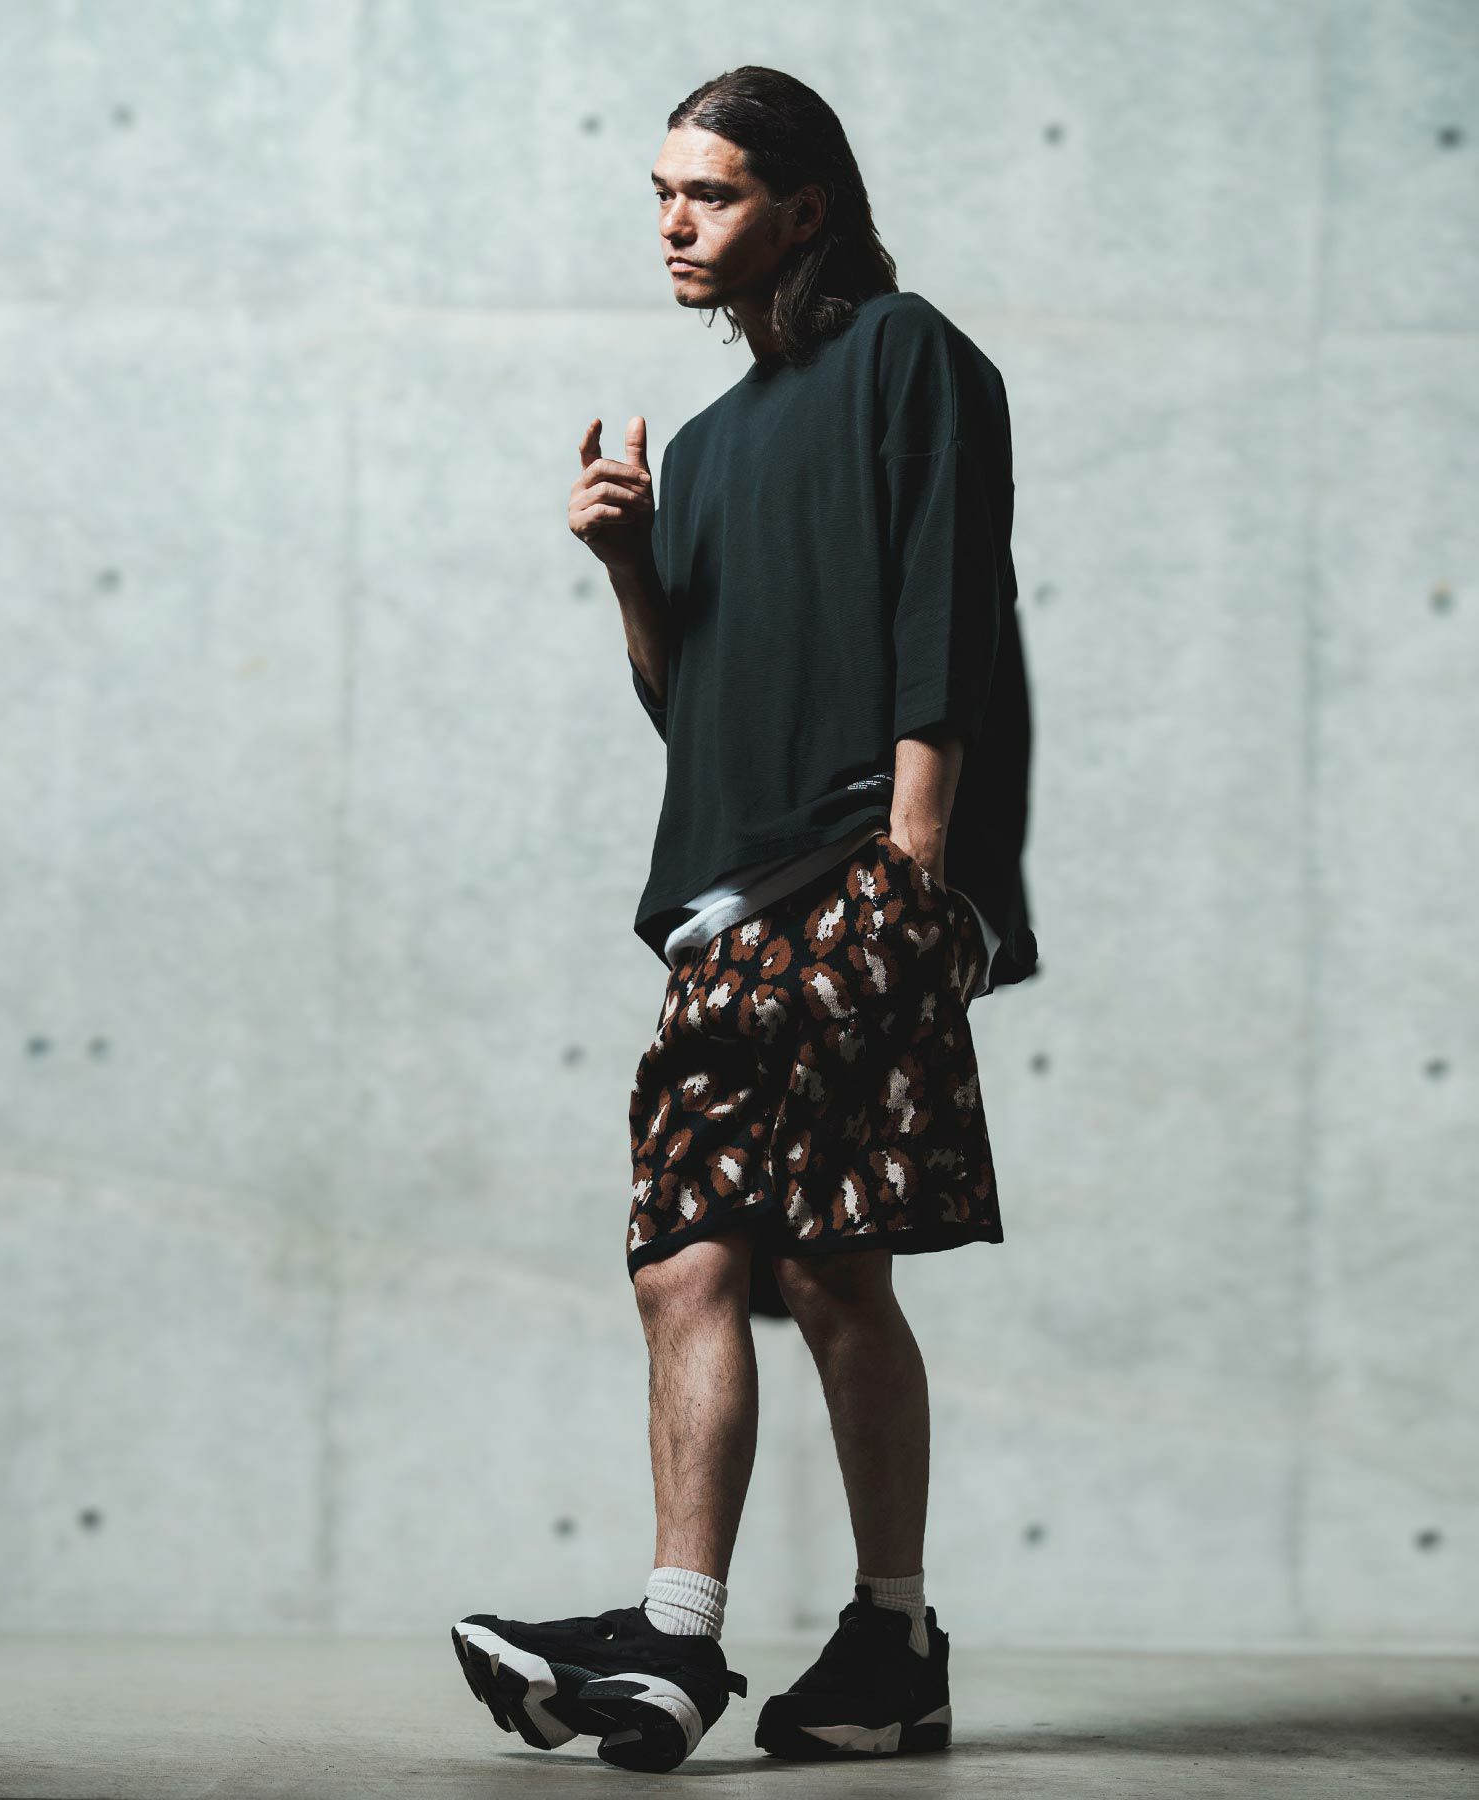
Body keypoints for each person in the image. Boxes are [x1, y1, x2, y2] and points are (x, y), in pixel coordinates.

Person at [452, 64, 1039, 1774]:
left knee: (818, 1266)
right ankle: (716, 1636)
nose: (672, 225)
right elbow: (686, 700)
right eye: (659, 195)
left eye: (705, 194)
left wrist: (914, 864)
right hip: (720, 908)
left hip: (857, 869)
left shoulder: (908, 356)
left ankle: (864, 1636)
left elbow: (946, 602)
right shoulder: (703, 447)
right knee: (699, 1259)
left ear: (804, 206)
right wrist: (631, 564)